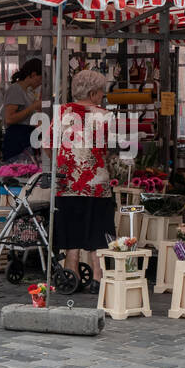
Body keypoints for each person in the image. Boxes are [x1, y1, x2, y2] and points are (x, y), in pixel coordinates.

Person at [53, 68, 116, 291]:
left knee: (71, 226)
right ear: (92, 93)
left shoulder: (61, 112)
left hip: (66, 180)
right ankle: (98, 276)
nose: (102, 97)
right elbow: (105, 147)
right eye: (101, 93)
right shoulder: (105, 116)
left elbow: (49, 142)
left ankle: (72, 273)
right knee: (98, 226)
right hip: (95, 180)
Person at [2, 58, 43, 161]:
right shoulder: (15, 89)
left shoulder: (28, 92)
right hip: (17, 138)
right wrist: (32, 107)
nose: (40, 83)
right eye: (39, 79)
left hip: (27, 136)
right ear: (33, 75)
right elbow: (9, 118)